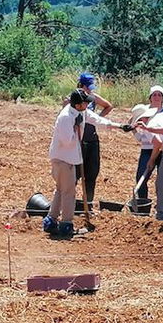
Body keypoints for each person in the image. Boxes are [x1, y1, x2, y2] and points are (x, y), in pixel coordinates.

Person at [44, 90, 131, 236]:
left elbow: (98, 120)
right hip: (63, 159)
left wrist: (119, 126)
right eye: (86, 102)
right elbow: (68, 142)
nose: (88, 104)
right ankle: (66, 223)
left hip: (68, 158)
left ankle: (51, 220)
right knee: (68, 192)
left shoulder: (81, 112)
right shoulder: (66, 117)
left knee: (61, 190)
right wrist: (76, 128)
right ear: (78, 105)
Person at [62, 72, 115, 208]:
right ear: (81, 85)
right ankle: (69, 203)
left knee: (92, 173)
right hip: (78, 142)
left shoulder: (93, 98)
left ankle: (88, 204)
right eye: (88, 87)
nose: (90, 90)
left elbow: (108, 105)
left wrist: (95, 119)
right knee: (75, 174)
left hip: (92, 140)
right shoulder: (72, 100)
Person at [132, 85, 163, 199]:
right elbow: (133, 124)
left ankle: (162, 204)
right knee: (141, 176)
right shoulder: (143, 111)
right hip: (147, 149)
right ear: (150, 97)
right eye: (154, 95)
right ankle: (142, 202)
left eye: (159, 95)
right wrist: (137, 135)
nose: (157, 97)